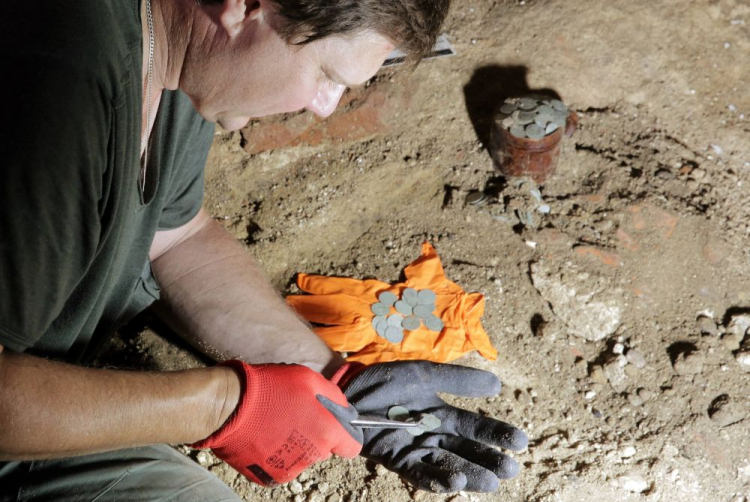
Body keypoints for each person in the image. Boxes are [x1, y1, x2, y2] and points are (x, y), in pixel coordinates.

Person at [0, 0, 528, 499]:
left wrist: (337, 381)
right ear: (243, 5)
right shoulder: (60, 91)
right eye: (326, 76)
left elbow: (177, 238)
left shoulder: (179, 57)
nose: (325, 107)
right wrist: (221, 407)